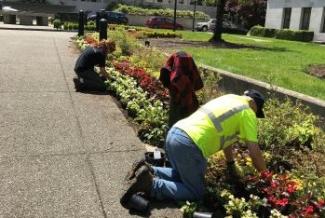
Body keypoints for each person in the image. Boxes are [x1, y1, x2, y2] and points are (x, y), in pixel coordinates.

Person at [120, 89, 267, 206]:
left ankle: (148, 169)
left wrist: (230, 163)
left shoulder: (230, 98)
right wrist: (267, 178)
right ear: (255, 105)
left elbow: (227, 140)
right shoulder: (248, 112)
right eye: (256, 112)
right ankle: (151, 185)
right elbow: (254, 153)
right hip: (190, 146)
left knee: (181, 176)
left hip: (175, 133)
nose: (255, 115)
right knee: (196, 192)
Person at [159, 51, 203, 127]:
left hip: (177, 104)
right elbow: (197, 83)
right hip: (189, 105)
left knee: (174, 123)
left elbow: (165, 75)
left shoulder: (175, 79)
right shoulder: (186, 75)